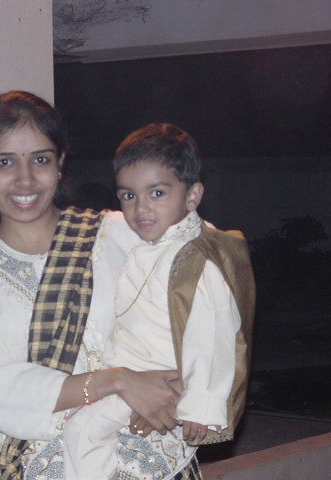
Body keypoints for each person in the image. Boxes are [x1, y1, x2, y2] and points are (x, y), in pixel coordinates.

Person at [0, 92, 192, 480]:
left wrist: (178, 390)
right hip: (40, 467)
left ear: (60, 163)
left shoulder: (125, 234)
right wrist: (116, 381)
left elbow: (203, 299)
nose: (25, 179)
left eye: (40, 159)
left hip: (152, 458)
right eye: (5, 162)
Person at [62, 123, 256, 480]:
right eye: (129, 196)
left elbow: (213, 335)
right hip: (131, 375)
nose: (140, 209)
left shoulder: (194, 259)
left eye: (157, 193)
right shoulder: (154, 246)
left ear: (192, 196)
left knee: (81, 431)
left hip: (162, 382)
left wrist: (201, 404)